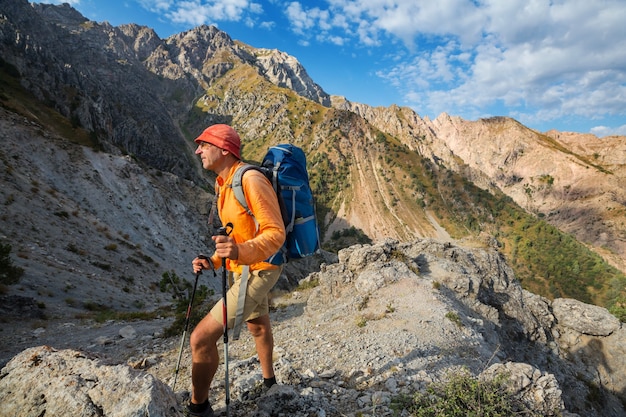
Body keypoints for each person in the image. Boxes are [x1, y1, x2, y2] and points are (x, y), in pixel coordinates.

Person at [185, 124, 286, 417]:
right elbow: (235, 235)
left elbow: (275, 233)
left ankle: (198, 408)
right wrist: (214, 261)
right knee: (257, 325)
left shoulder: (251, 180)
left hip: (261, 269)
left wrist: (240, 252)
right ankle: (270, 384)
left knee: (201, 338)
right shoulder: (223, 184)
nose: (198, 150)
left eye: (204, 144)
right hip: (245, 268)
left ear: (224, 149)